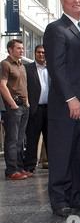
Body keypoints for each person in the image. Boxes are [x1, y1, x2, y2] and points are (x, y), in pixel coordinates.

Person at [43, 0, 80, 217]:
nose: (76, 1)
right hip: (67, 107)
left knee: (79, 156)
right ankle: (59, 201)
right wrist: (71, 98)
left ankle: (76, 198)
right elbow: (57, 67)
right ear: (62, 1)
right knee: (62, 155)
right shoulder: (56, 29)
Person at [0, 39, 29, 180]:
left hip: (24, 106)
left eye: (22, 48)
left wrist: (27, 102)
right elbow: (2, 85)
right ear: (10, 50)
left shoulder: (22, 66)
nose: (21, 50)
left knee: (19, 140)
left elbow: (24, 86)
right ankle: (11, 171)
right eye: (18, 48)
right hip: (13, 107)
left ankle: (18, 167)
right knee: (11, 140)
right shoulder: (5, 65)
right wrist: (12, 104)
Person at [24, 45, 49, 173]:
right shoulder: (27, 68)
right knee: (32, 139)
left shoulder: (52, 69)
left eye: (43, 52)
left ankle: (52, 165)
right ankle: (29, 166)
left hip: (50, 110)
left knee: (50, 139)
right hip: (35, 109)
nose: (41, 54)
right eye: (39, 52)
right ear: (34, 54)